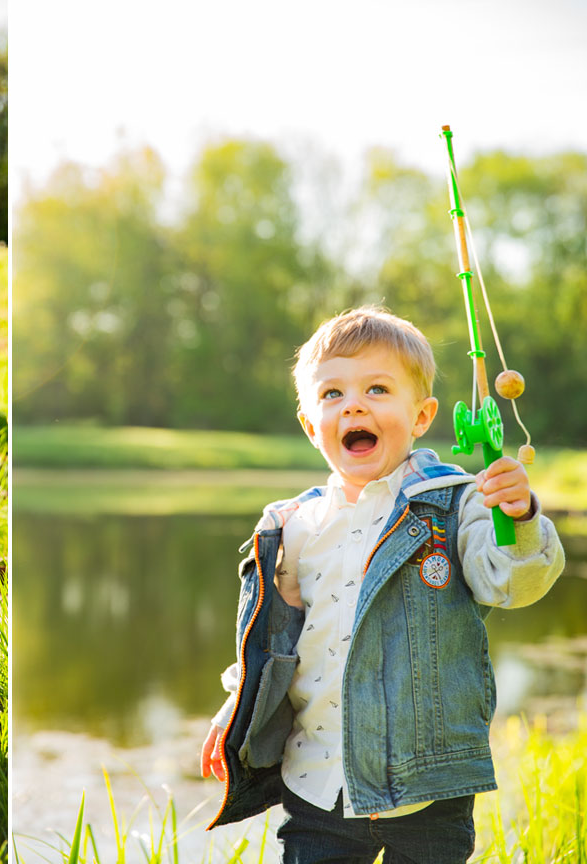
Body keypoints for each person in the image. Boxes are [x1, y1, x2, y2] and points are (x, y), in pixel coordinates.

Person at [199, 306, 564, 863]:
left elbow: (513, 582)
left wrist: (516, 516)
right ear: (309, 423)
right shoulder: (292, 525)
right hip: (319, 782)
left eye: (377, 388)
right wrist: (235, 708)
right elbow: (270, 639)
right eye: (332, 395)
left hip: (428, 789)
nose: (354, 405)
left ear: (422, 416)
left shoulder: (455, 502)